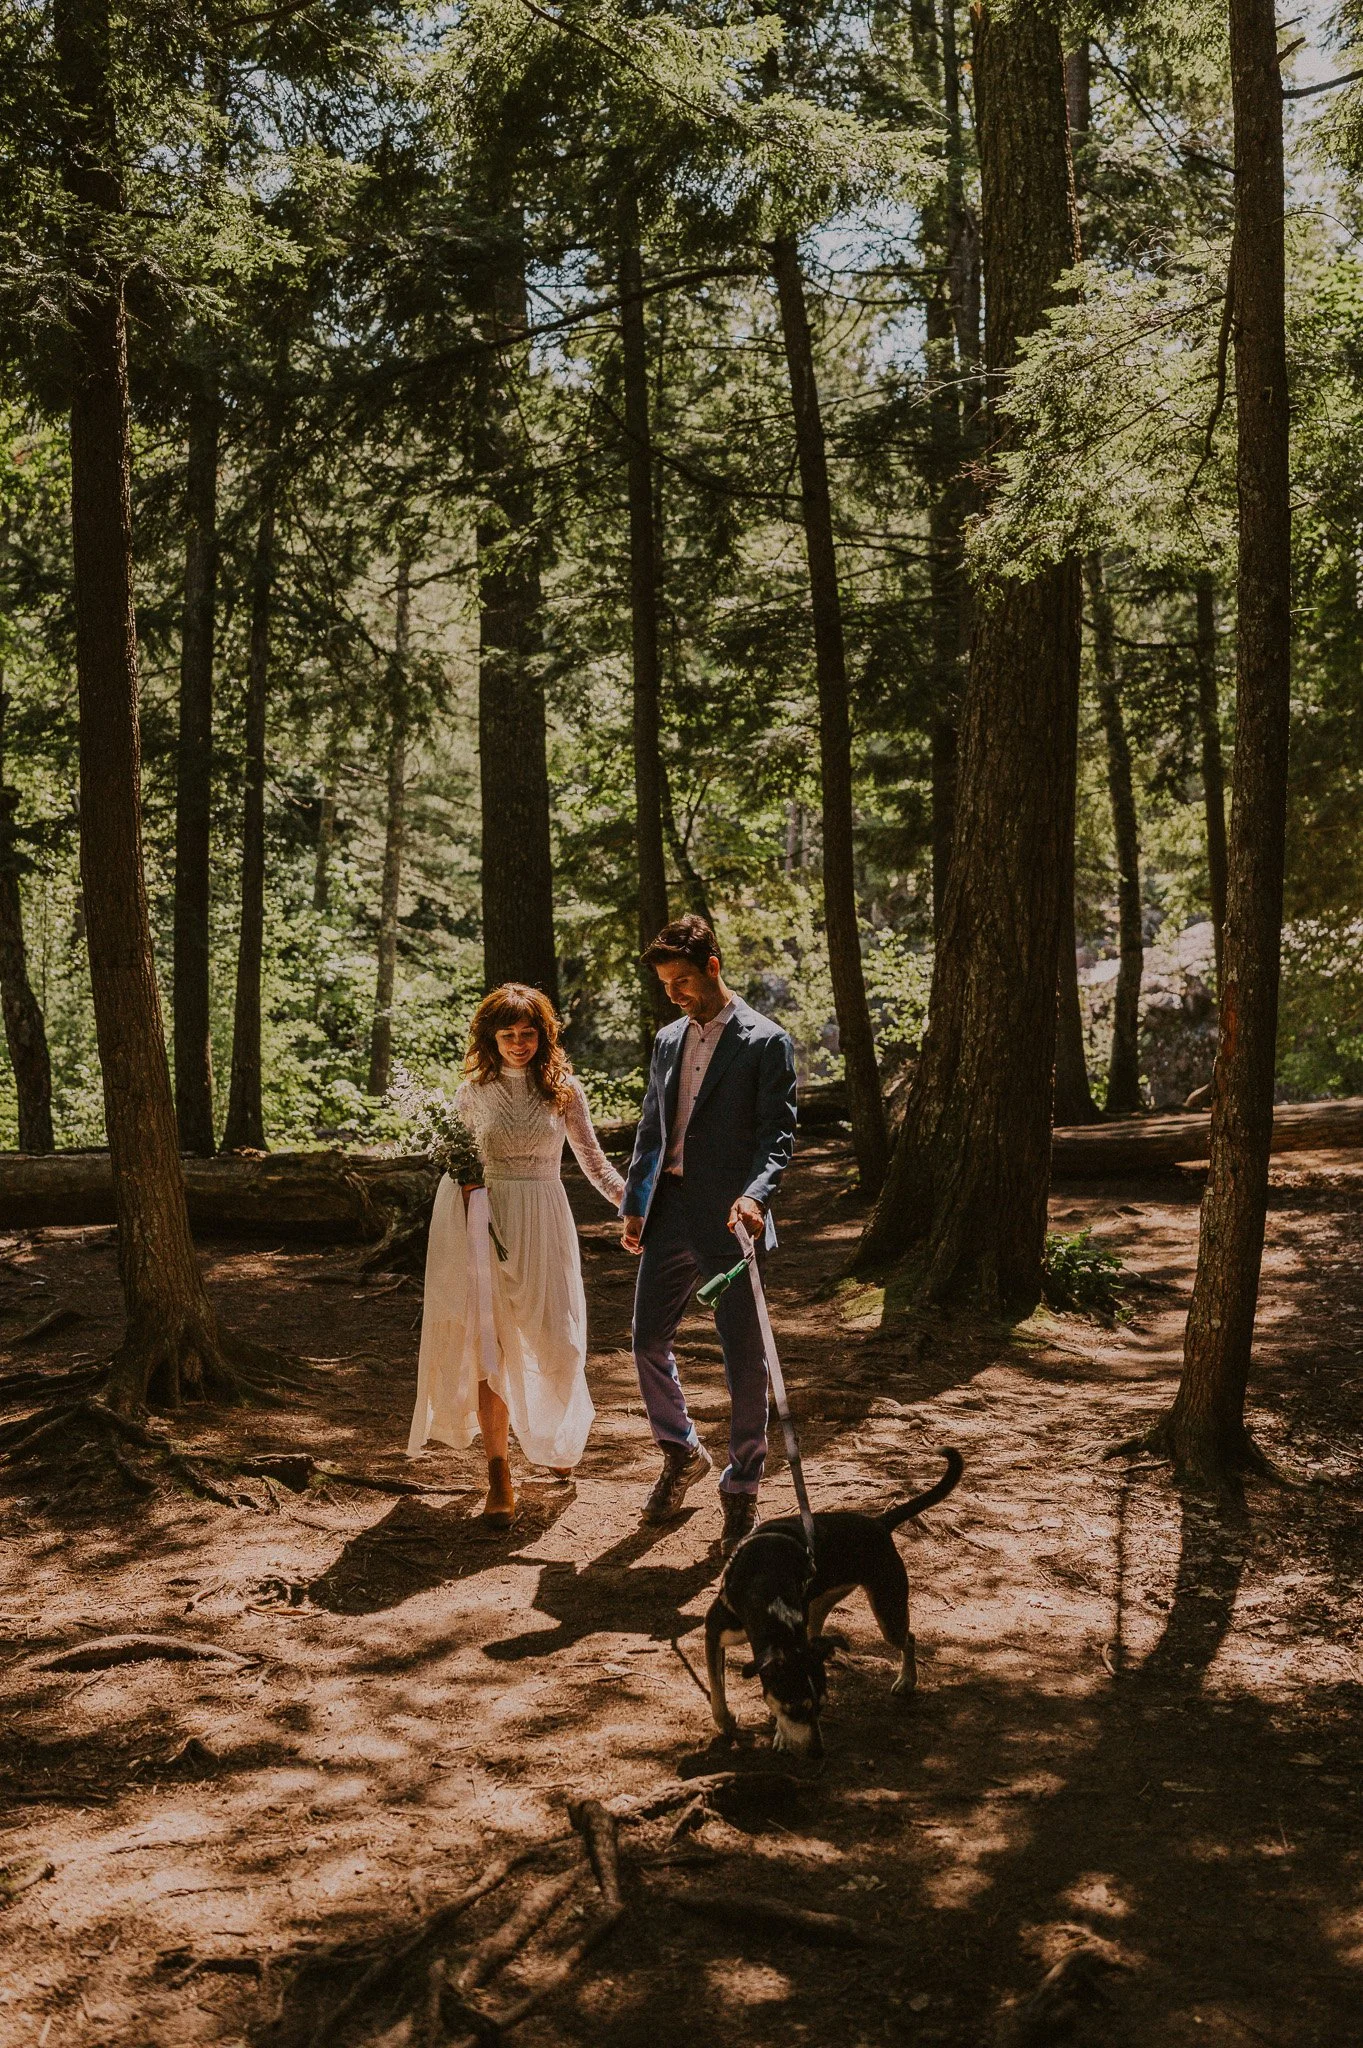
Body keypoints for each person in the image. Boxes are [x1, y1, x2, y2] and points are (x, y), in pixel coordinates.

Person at [407, 983, 625, 1526]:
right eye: (508, 1035)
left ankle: (554, 1438)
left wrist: (635, 1206)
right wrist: (466, 1196)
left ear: (543, 1036)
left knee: (559, 1341)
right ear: (491, 1038)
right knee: (491, 1349)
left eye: (528, 1034)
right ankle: (498, 1473)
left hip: (547, 1219)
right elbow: (458, 1170)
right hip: (487, 1225)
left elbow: (593, 1162)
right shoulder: (471, 1094)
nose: (519, 1044)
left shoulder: (563, 1090)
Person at [620, 916, 799, 1555]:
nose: (675, 993)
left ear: (714, 966)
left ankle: (743, 1485)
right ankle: (680, 1450)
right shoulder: (667, 1039)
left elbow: (776, 1135)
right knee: (646, 1341)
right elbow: (651, 1130)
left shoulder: (765, 1041)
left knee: (744, 1362)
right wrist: (635, 1204)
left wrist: (755, 1195)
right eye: (666, 983)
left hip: (732, 1220)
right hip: (667, 1214)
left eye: (684, 979)